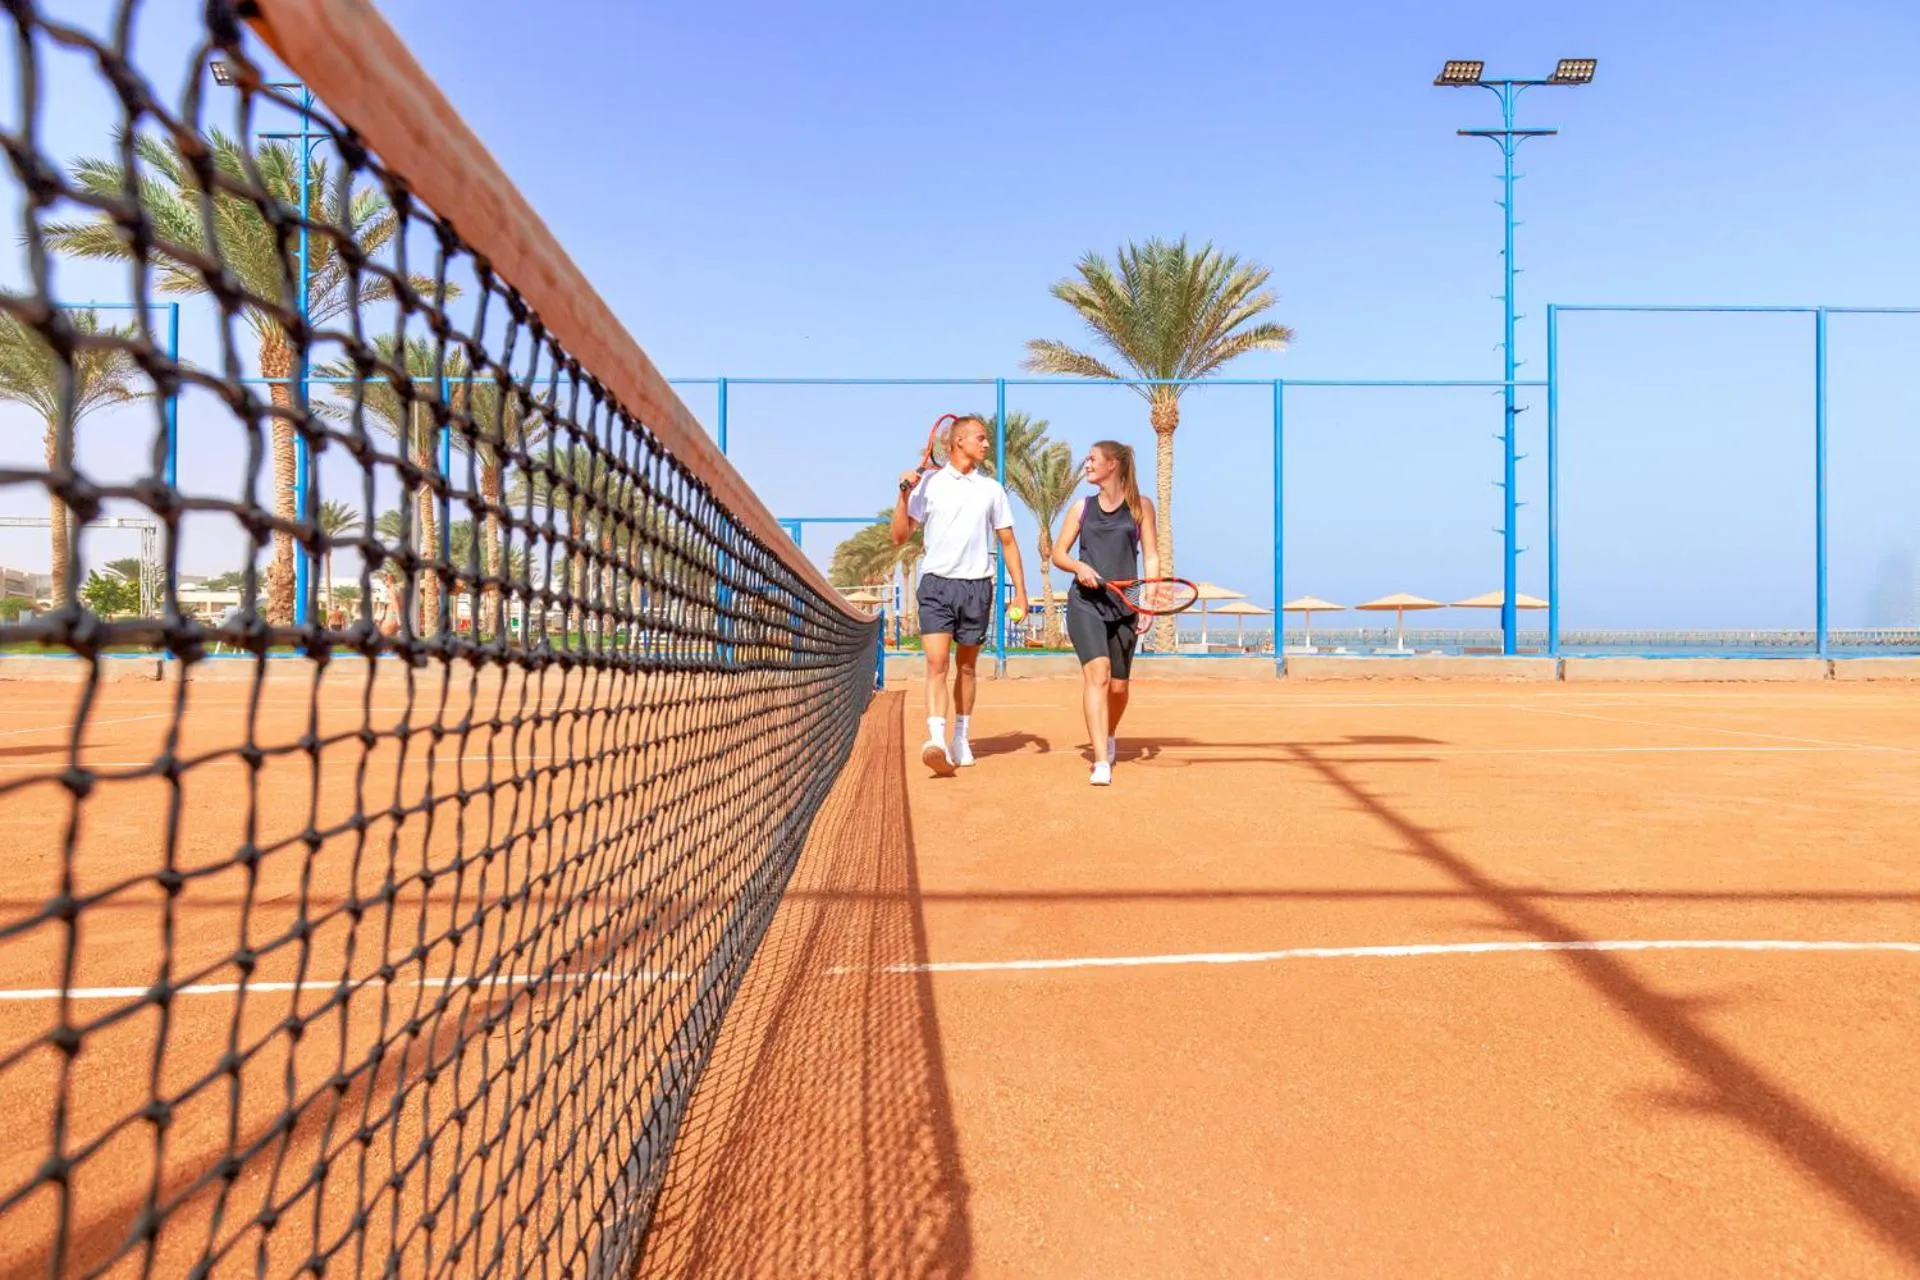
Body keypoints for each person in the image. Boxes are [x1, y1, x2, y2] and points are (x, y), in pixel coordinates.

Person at [893, 414, 1028, 776]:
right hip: (936, 585)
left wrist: (1021, 593)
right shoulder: (928, 484)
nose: (986, 444)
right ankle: (936, 740)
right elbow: (900, 536)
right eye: (980, 438)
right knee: (937, 663)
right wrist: (903, 495)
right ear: (958, 442)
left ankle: (961, 737)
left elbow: (1008, 542)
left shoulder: (992, 490)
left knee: (966, 667)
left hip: (977, 586)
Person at [1051, 440, 1159, 786]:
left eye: (1092, 459)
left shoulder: (1141, 507)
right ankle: (1100, 760)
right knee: (1097, 675)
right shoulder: (1081, 508)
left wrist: (1148, 600)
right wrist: (1079, 567)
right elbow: (1058, 553)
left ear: (1113, 464)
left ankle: (1109, 732)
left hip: (1126, 602)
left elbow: (1151, 555)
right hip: (1086, 602)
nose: (1086, 464)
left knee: (1118, 688)